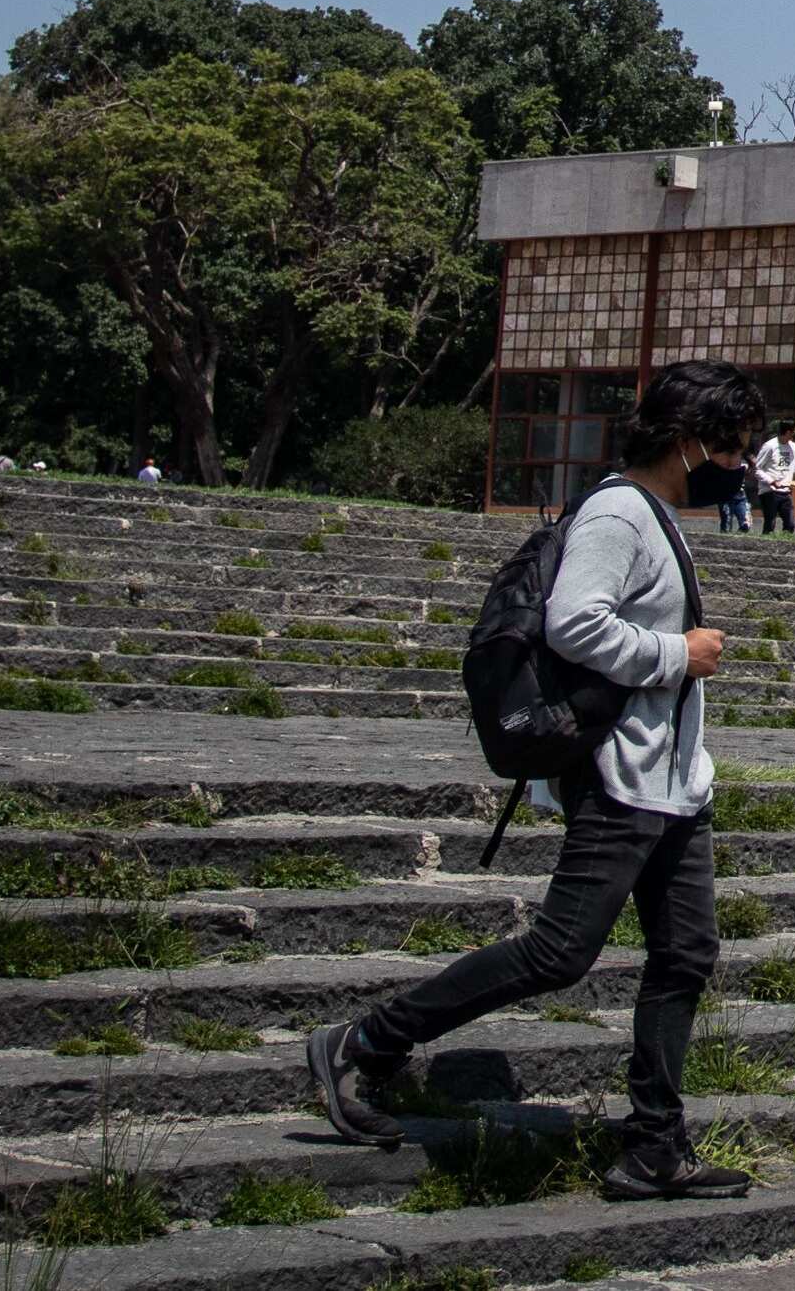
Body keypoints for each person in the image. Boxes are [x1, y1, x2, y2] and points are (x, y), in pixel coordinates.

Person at [307, 359, 755, 1200]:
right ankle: (364, 1044)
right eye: (731, 449)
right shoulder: (620, 513)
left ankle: (655, 1145)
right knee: (559, 952)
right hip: (620, 781)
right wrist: (677, 654)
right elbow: (574, 620)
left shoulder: (654, 515)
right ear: (692, 441)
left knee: (686, 955)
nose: (736, 466)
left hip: (672, 788)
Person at [749, 421, 795, 536]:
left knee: (790, 524)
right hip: (769, 491)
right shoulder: (770, 446)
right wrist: (771, 481)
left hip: (785, 491)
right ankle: (765, 547)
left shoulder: (793, 446)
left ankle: (785, 546)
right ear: (788, 432)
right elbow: (757, 469)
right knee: (770, 523)